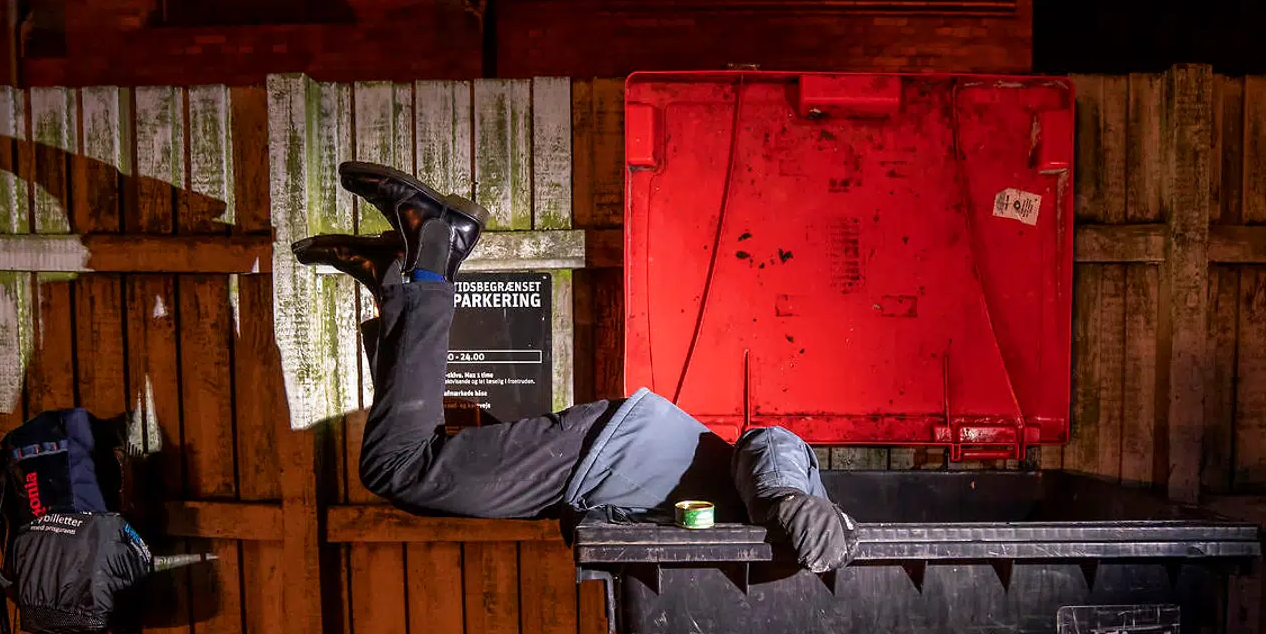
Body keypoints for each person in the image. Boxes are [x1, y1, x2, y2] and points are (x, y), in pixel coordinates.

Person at [292, 162, 858, 573]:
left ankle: (398, 279)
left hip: (598, 484)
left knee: (427, 457)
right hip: (609, 455)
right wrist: (785, 498)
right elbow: (772, 441)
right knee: (399, 467)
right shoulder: (809, 508)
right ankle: (432, 243)